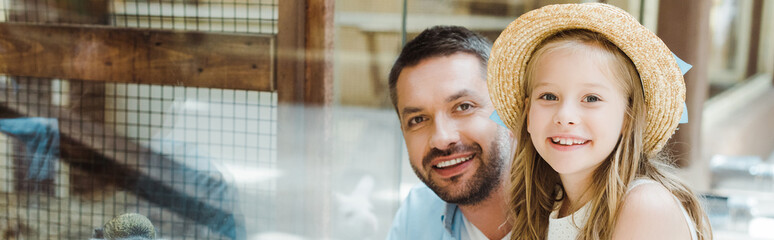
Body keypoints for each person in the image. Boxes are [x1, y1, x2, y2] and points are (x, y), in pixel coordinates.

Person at [486, 3, 712, 240]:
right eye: (549, 96)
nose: (565, 116)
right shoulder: (549, 204)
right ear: (528, 114)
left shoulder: (645, 206)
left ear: (629, 117)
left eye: (591, 98)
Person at [386, 26, 515, 240]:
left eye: (463, 107)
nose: (442, 138)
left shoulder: (579, 215)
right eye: (418, 120)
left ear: (509, 109)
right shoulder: (418, 214)